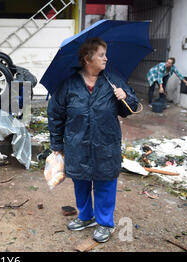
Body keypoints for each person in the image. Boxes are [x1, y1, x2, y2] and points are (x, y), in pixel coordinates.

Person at [47, 37, 138, 243]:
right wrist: (57, 145)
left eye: (105, 54)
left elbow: (130, 110)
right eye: (101, 55)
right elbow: (55, 115)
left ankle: (105, 223)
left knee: (105, 182)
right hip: (77, 144)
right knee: (81, 182)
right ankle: (86, 217)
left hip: (106, 143)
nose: (106, 58)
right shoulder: (69, 85)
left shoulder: (113, 80)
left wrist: (125, 96)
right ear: (88, 58)